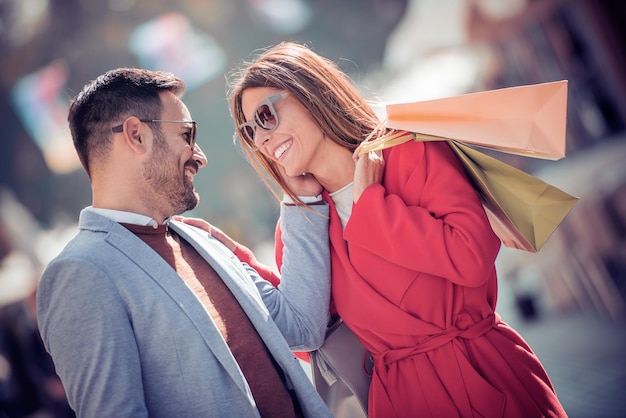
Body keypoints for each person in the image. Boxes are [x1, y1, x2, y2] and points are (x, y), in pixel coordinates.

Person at [214, 42, 568, 417]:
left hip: (487, 377)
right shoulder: (302, 224)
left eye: (266, 116)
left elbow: (472, 258)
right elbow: (309, 332)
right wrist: (240, 268)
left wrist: (375, 211)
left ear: (310, 91)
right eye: (250, 132)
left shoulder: (409, 149)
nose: (262, 139)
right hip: (400, 401)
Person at [35, 67, 334, 418]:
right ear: (136, 136)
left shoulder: (198, 238)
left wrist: (303, 203)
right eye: (187, 135)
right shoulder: (80, 274)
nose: (200, 156)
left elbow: (302, 327)